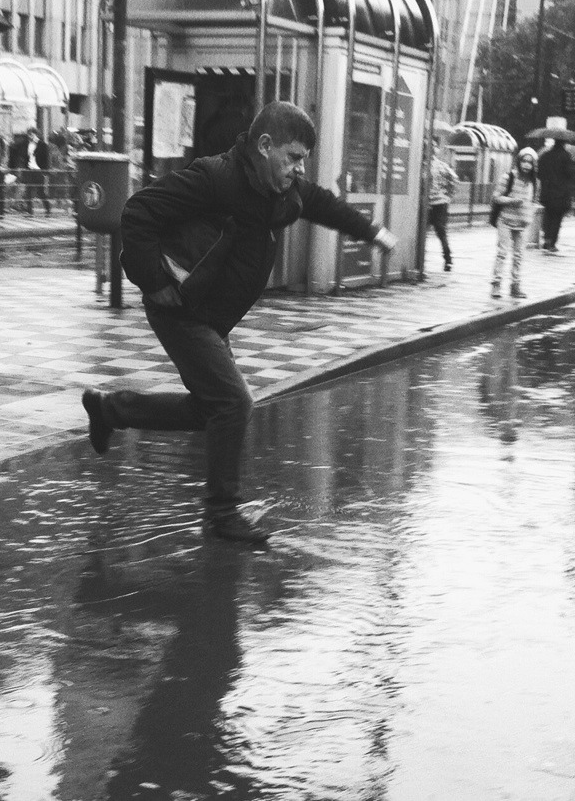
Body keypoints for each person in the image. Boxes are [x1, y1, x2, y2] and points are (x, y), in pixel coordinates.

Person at [81, 101, 398, 543]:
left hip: (211, 316)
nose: (297, 169)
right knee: (234, 402)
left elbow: (323, 204)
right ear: (264, 145)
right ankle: (221, 514)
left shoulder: (282, 194)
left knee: (214, 408)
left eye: (303, 160)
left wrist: (372, 232)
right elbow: (138, 212)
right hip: (181, 307)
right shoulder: (217, 177)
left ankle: (108, 408)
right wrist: (152, 282)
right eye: (292, 157)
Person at [489, 147, 535, 299]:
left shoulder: (534, 182)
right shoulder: (508, 177)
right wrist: (512, 201)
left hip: (522, 223)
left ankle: (515, 286)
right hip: (506, 221)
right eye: (524, 161)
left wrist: (529, 217)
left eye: (530, 162)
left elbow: (532, 202)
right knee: (502, 253)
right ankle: (496, 285)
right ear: (519, 161)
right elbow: (496, 197)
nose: (527, 165)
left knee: (518, 256)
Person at [537, 139, 575, 253]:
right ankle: (552, 243)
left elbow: (539, 173)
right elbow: (569, 174)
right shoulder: (565, 156)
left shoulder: (545, 156)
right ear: (564, 143)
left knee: (547, 217)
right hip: (561, 193)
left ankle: (546, 239)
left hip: (547, 192)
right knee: (557, 219)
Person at [426, 143, 457, 271]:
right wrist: (448, 195)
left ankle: (448, 259)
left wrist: (447, 195)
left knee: (437, 231)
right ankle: (448, 260)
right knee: (441, 232)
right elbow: (454, 180)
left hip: (435, 203)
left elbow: (454, 179)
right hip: (440, 202)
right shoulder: (442, 165)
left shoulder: (428, 165)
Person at [10, 127, 50, 214]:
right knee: (28, 190)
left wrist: (45, 171)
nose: (30, 136)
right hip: (29, 170)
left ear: (36, 134)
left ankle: (47, 208)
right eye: (29, 134)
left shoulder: (42, 145)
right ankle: (29, 210)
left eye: (31, 134)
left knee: (40, 191)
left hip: (38, 170)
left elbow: (46, 159)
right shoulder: (25, 144)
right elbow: (16, 149)